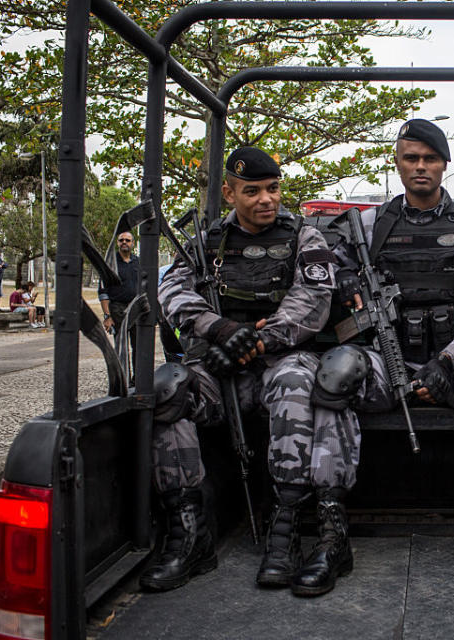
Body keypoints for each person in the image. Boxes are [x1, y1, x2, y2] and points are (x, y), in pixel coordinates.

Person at [323, 117, 454, 586]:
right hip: (383, 359)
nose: (421, 167)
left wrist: (448, 360)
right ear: (398, 163)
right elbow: (324, 267)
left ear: (445, 164)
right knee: (334, 372)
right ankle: (329, 525)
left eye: (430, 158)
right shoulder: (368, 224)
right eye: (411, 158)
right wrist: (343, 278)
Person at [146, 147, 348, 598]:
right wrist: (217, 329)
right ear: (229, 192)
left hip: (281, 359)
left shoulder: (304, 237)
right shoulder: (205, 241)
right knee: (166, 389)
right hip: (216, 365)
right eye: (252, 191)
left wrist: (254, 341)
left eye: (272, 189)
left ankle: (285, 532)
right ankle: (190, 534)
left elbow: (312, 304)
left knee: (297, 383)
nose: (266, 200)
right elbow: (172, 293)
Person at [99, 230, 140, 371]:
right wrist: (107, 316)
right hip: (117, 309)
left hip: (136, 308)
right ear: (117, 243)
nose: (124, 243)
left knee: (138, 346)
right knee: (121, 347)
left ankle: (137, 380)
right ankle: (123, 379)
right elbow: (103, 291)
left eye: (127, 240)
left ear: (132, 244)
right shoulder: (110, 264)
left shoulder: (138, 262)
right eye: (121, 240)